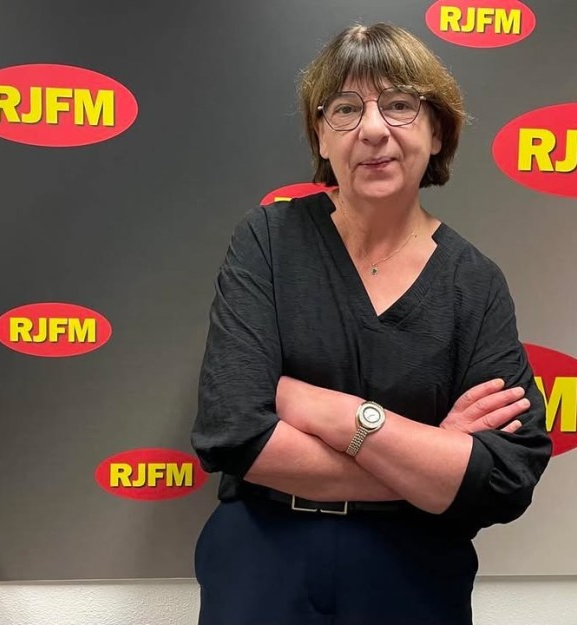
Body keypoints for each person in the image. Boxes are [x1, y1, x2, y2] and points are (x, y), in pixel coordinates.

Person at [191, 22, 551, 625]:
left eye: (400, 105)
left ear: (438, 130)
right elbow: (233, 433)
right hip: (263, 557)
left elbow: (505, 477)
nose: (374, 129)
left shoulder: (474, 282)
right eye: (345, 109)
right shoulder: (268, 241)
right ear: (321, 136)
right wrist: (430, 456)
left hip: (413, 573)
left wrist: (337, 414)